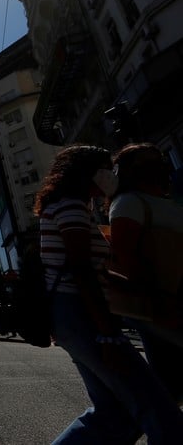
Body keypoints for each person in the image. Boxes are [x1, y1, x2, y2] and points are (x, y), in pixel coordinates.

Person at [35, 145, 183, 443]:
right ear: (87, 172)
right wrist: (107, 333)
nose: (112, 175)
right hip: (81, 312)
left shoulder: (73, 207)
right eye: (106, 168)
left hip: (74, 314)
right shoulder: (71, 206)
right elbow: (81, 270)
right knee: (157, 407)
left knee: (113, 414)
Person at [109, 143, 183, 401]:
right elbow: (126, 254)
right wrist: (156, 300)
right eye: (147, 161)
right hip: (164, 303)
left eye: (159, 159)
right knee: (171, 387)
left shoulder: (169, 202)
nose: (158, 165)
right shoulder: (129, 202)